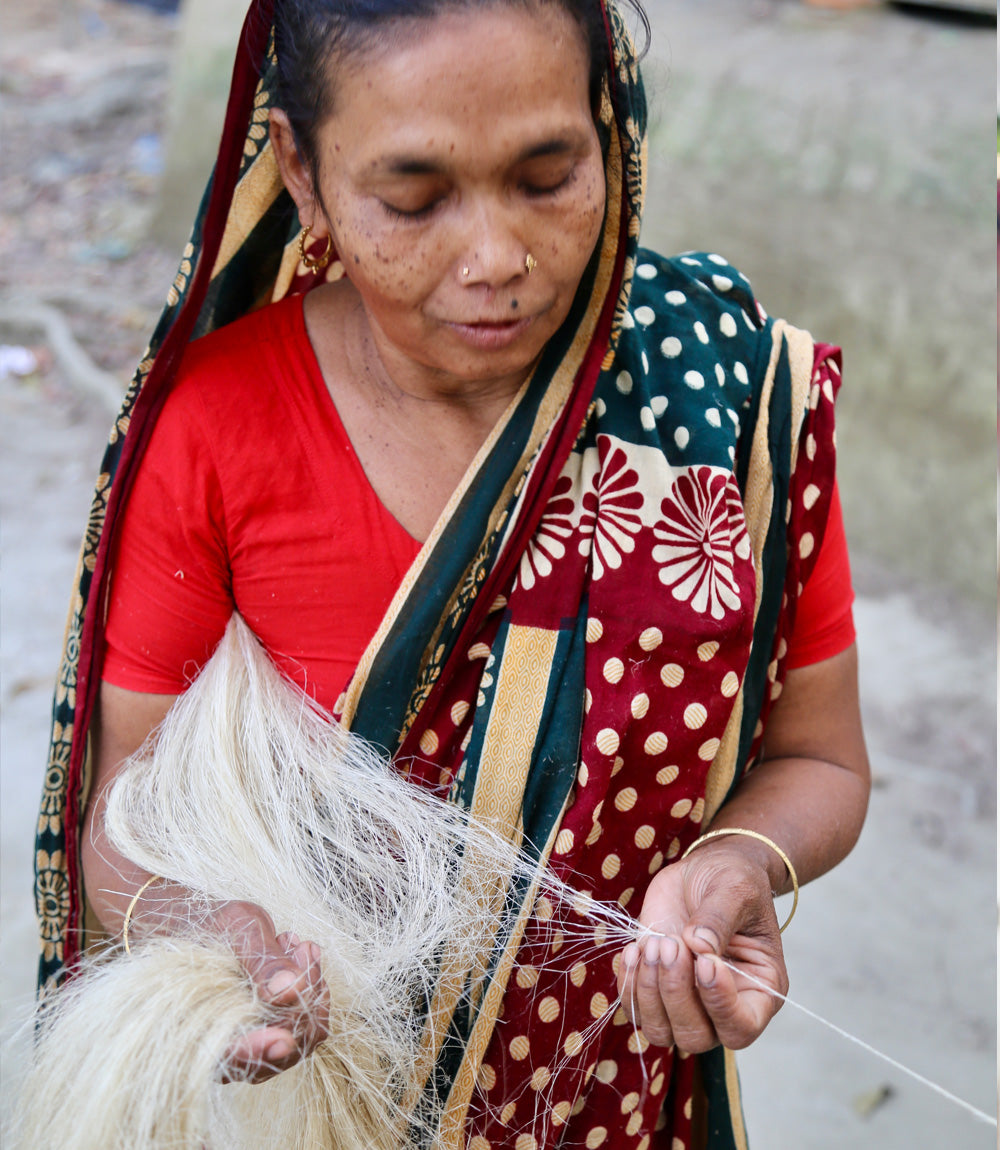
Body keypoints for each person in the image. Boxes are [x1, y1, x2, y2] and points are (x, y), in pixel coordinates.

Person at [35, 0, 870, 1145]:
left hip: (618, 1099)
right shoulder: (219, 427)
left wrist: (737, 863)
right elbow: (120, 830)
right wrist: (210, 933)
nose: (497, 260)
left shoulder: (727, 403)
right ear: (304, 172)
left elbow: (819, 759)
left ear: (610, 127)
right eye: (414, 199)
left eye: (547, 174)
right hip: (323, 1108)